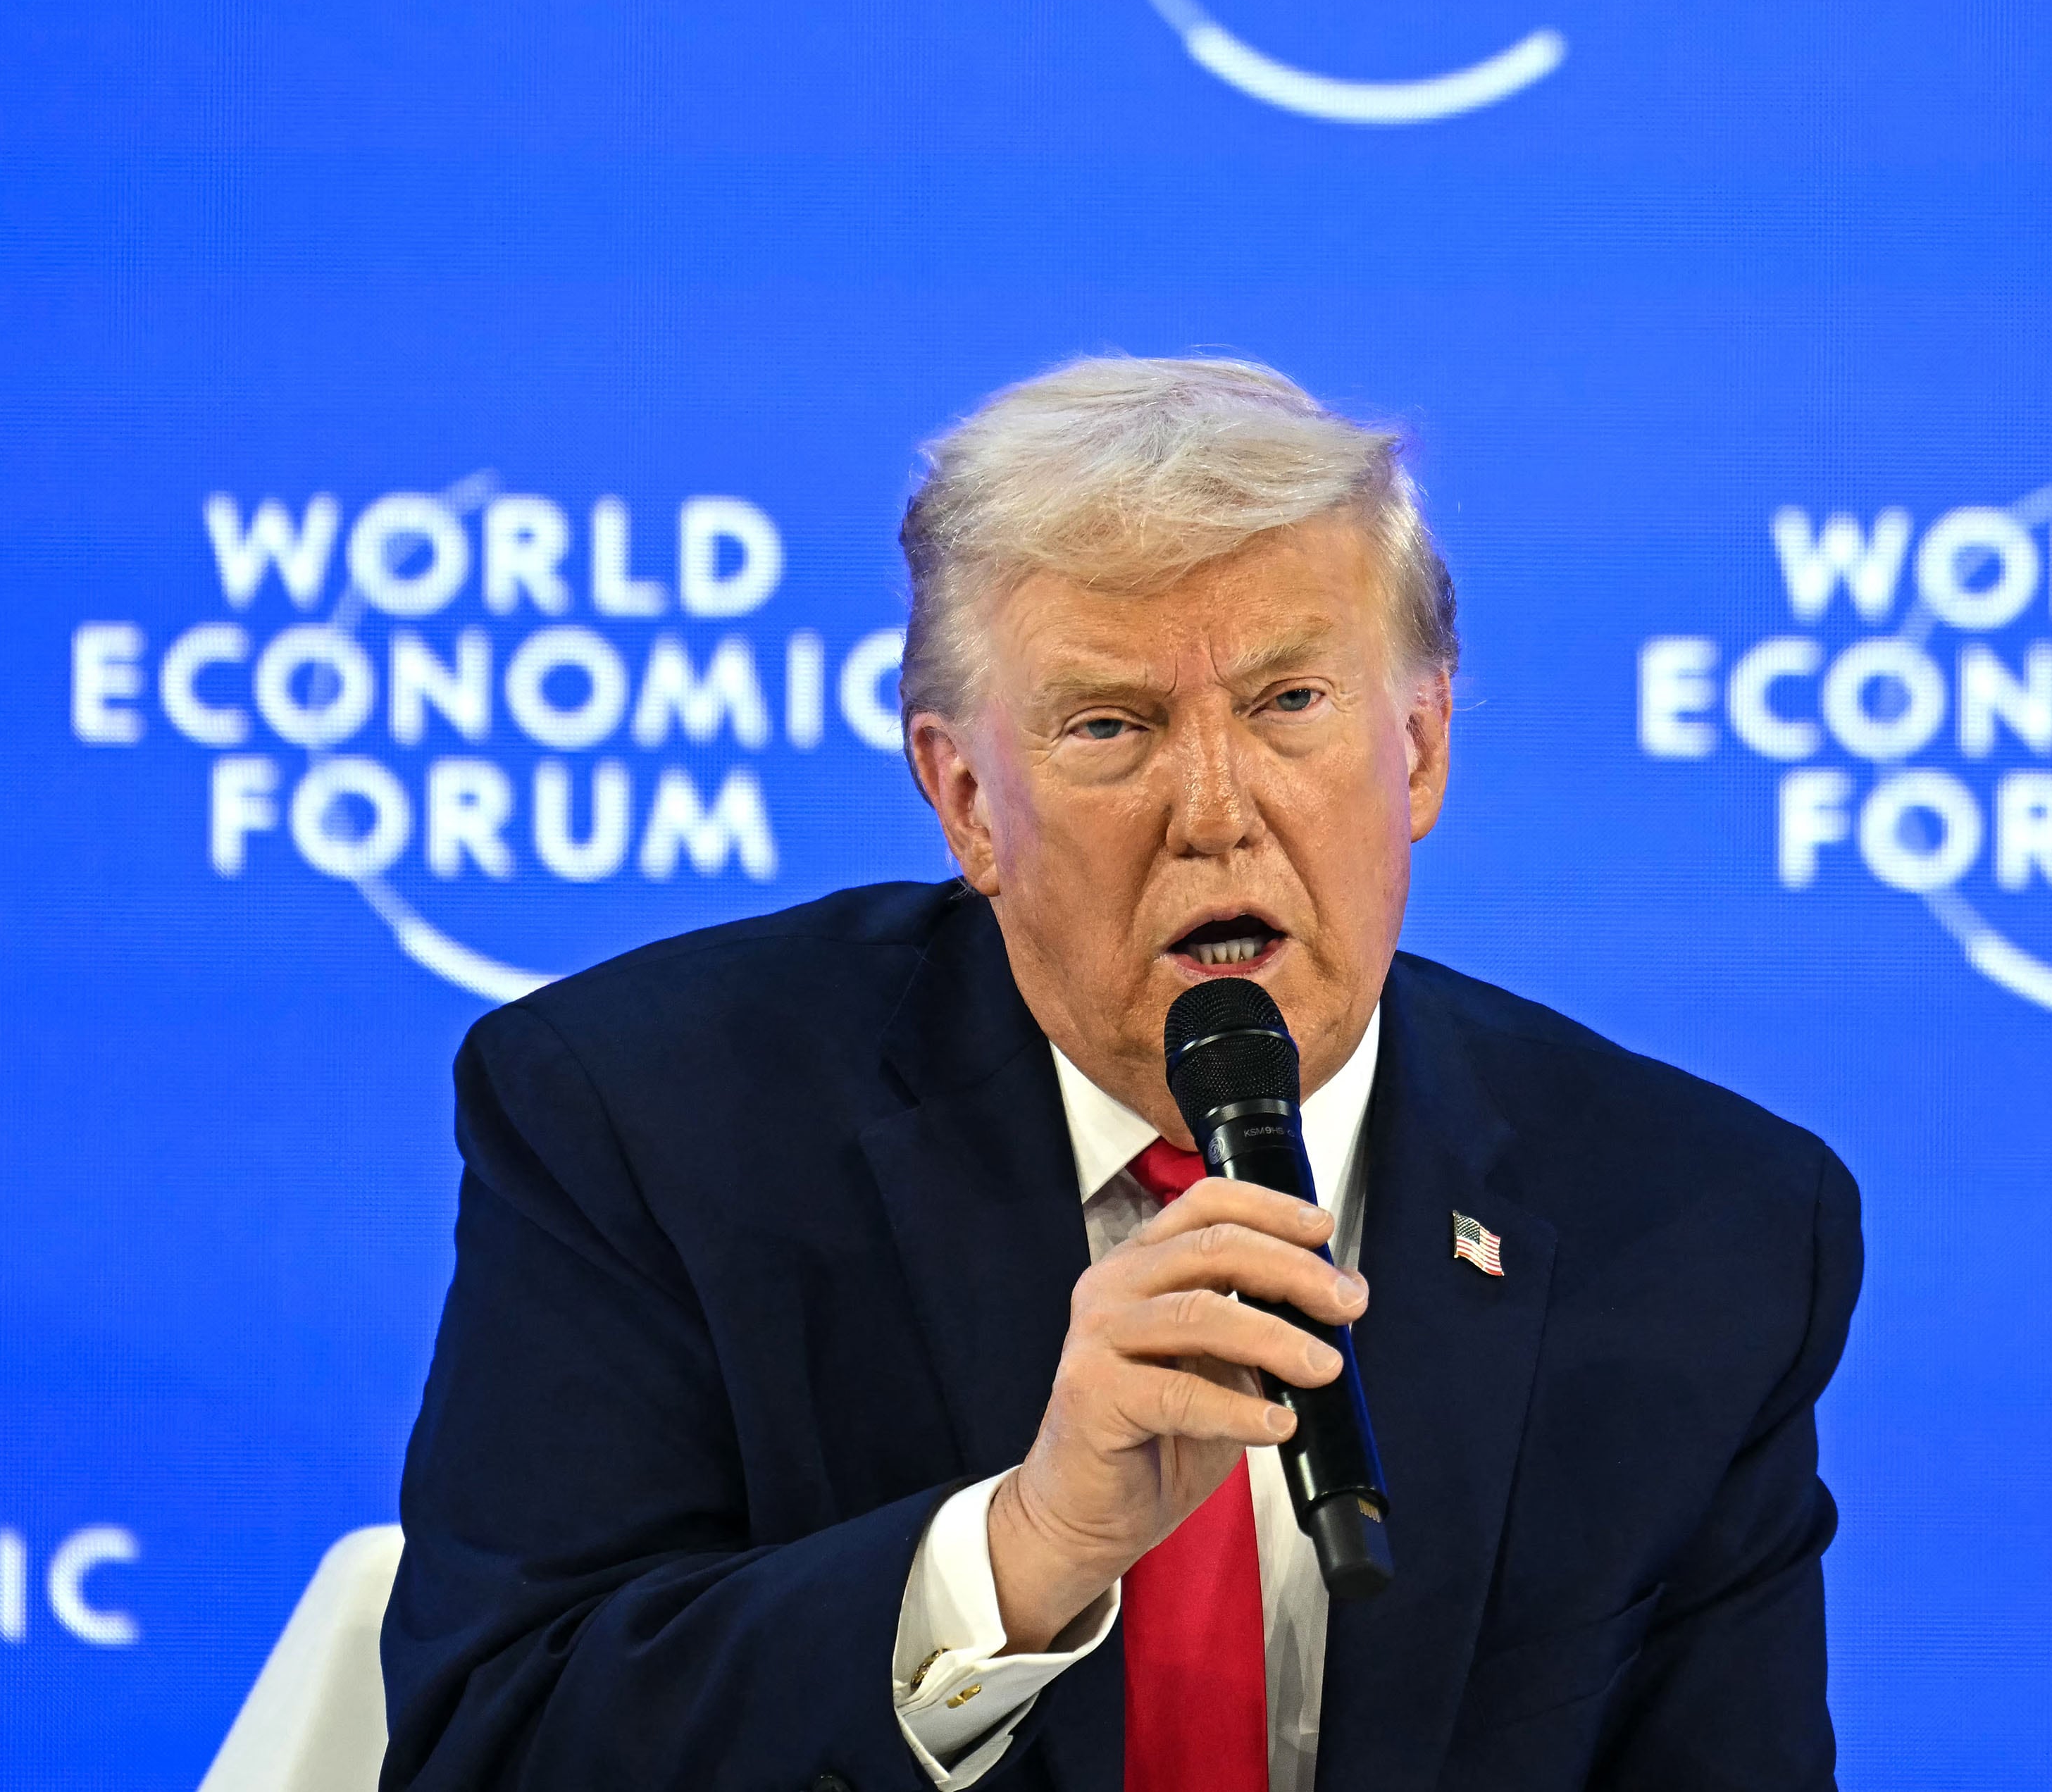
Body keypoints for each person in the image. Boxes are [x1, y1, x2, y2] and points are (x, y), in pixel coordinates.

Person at [380, 357, 1862, 1792]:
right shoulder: (648, 1120)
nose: (1215, 813)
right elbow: (493, 1743)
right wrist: (1017, 1559)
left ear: (1418, 747)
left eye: (1290, 702)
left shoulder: (1700, 1228)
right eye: (1110, 726)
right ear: (966, 799)